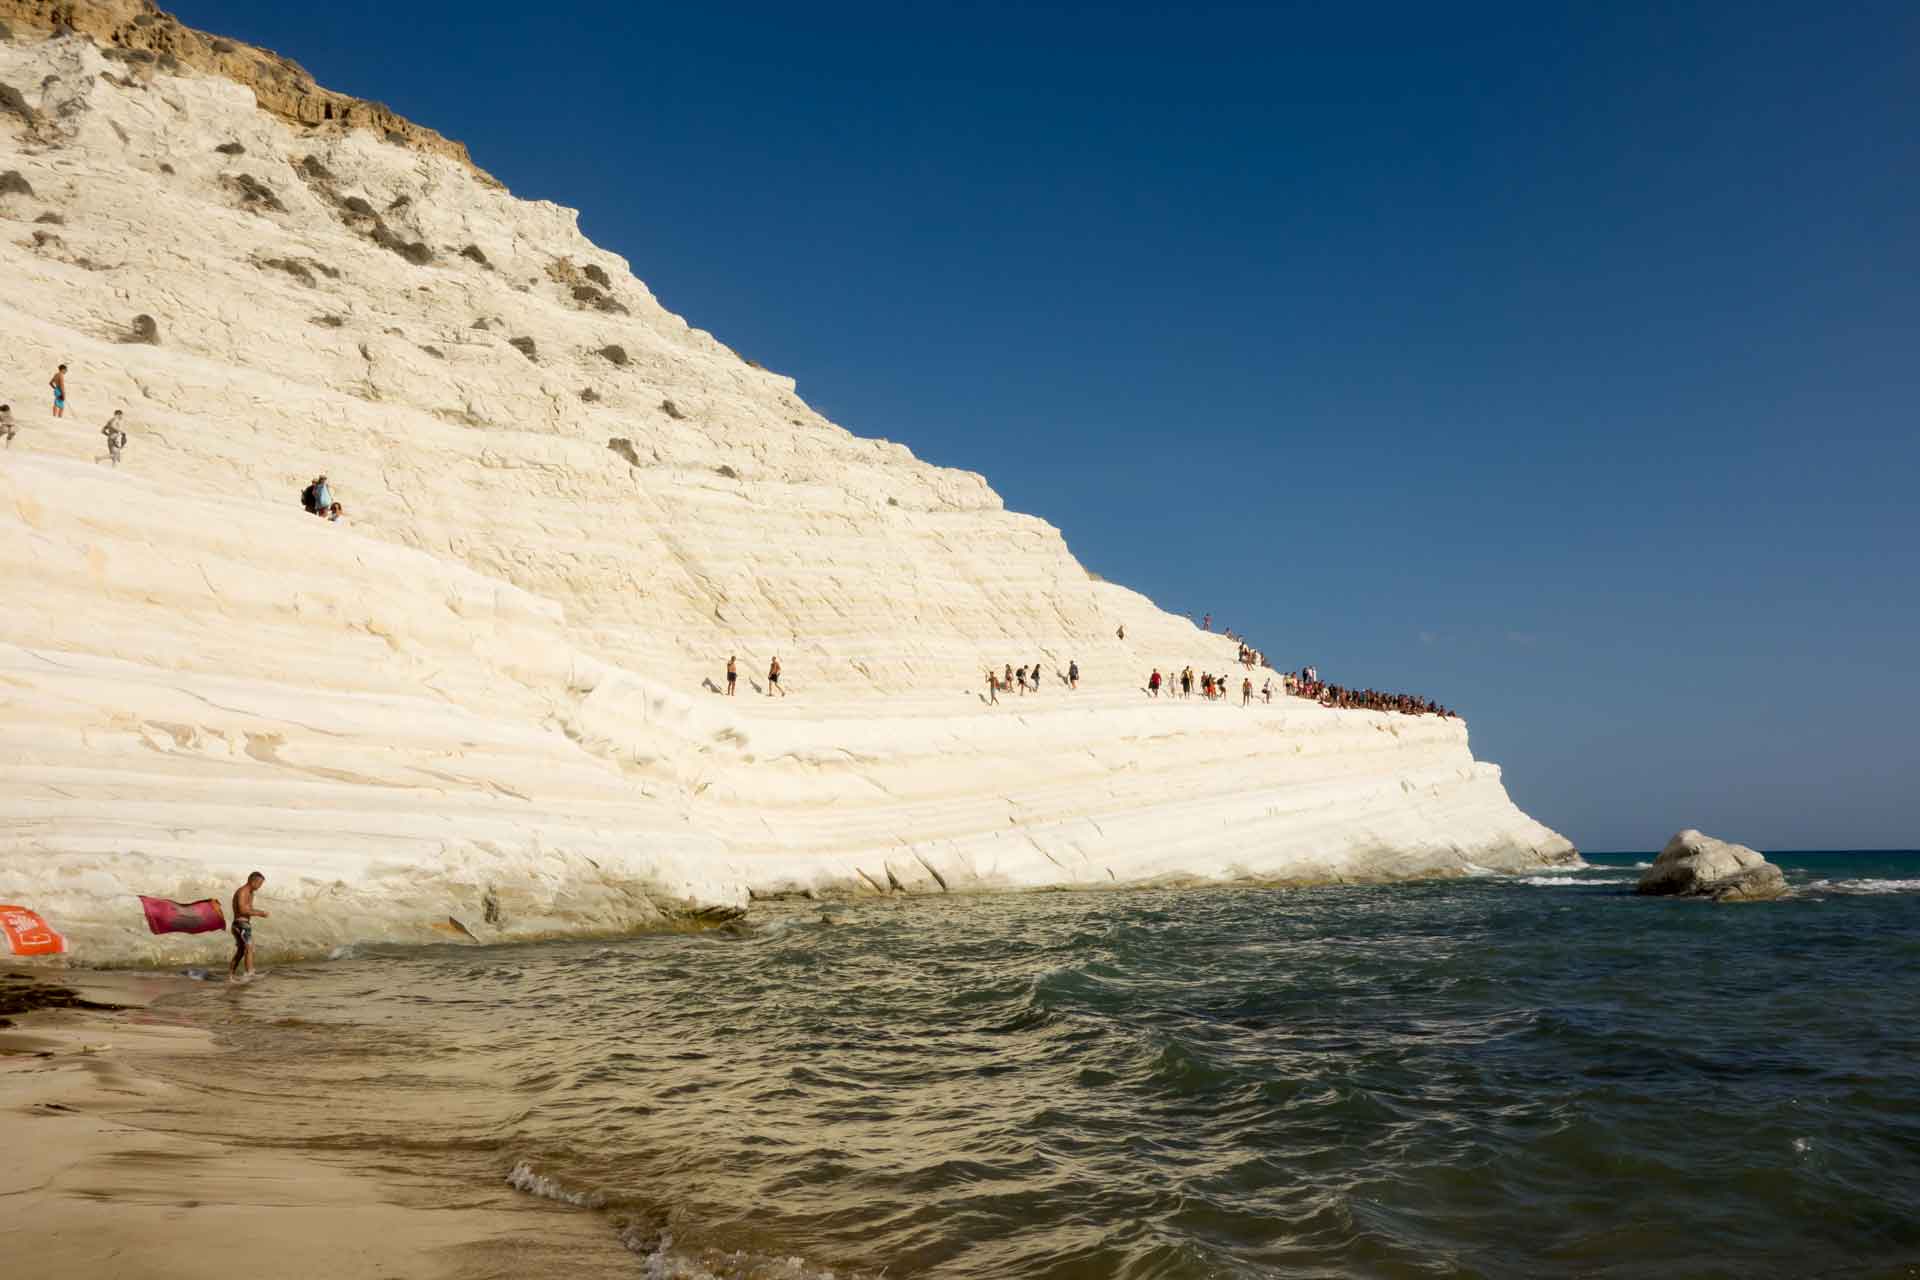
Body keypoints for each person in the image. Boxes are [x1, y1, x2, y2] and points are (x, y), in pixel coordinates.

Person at [228, 871, 269, 982]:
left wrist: (255, 912)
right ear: (253, 881)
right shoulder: (243, 892)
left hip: (243, 924)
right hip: (240, 924)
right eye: (259, 884)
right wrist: (260, 913)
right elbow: (242, 909)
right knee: (249, 947)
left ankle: (230, 976)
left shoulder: (250, 893)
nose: (260, 887)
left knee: (242, 950)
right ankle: (249, 973)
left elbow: (248, 909)